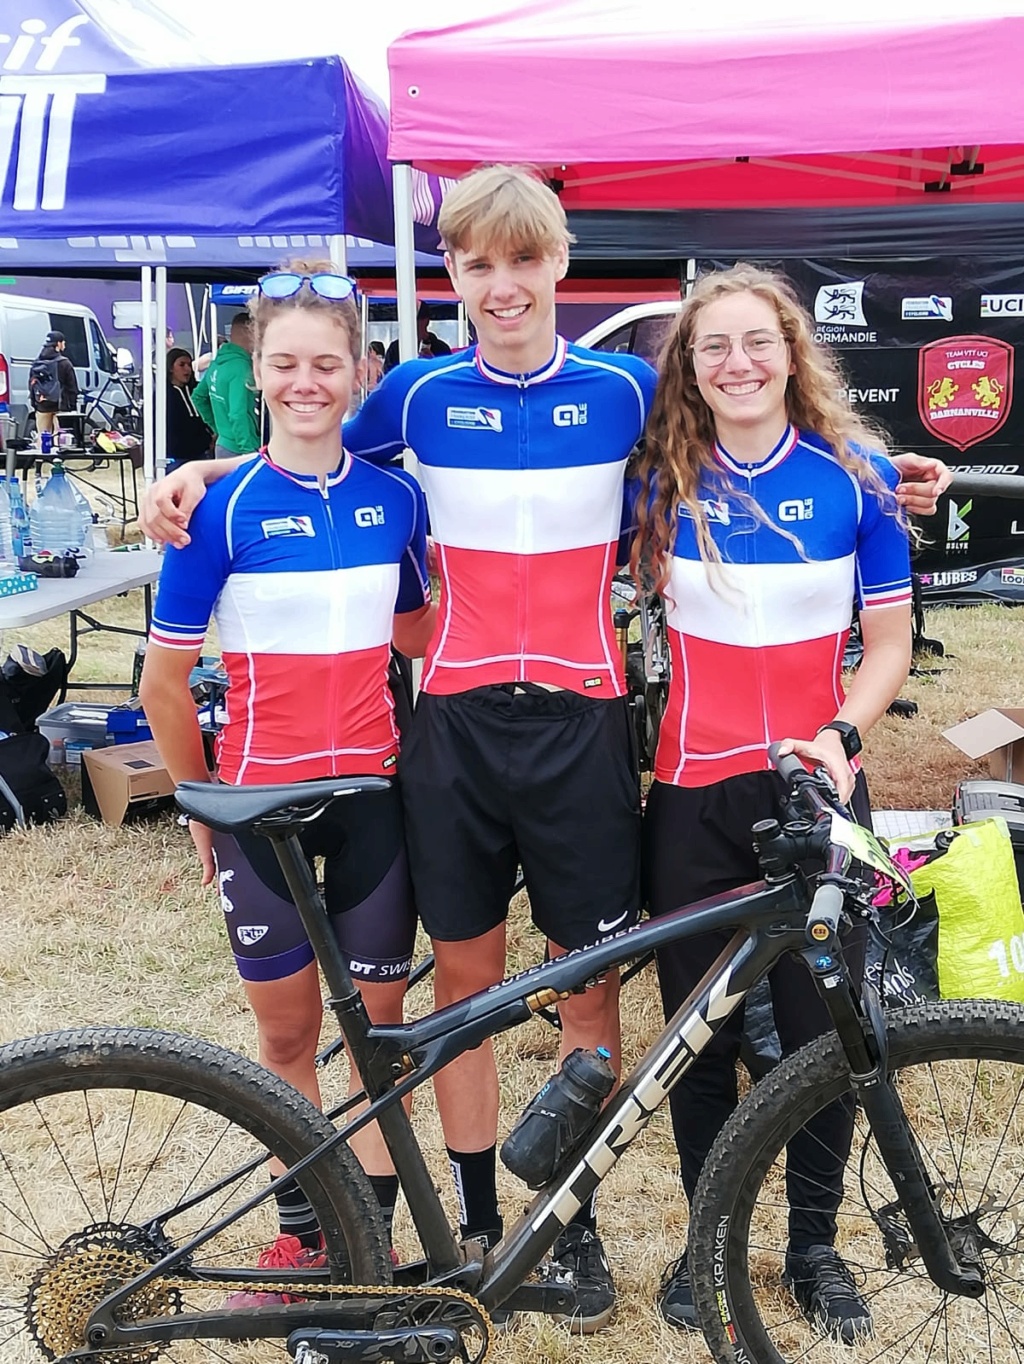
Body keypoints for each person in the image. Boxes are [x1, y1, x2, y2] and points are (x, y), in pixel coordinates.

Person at [138, 168, 950, 1334]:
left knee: (588, 981)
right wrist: (199, 475)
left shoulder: (626, 391)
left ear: (558, 265)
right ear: (455, 278)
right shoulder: (413, 395)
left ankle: (574, 1229)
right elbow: (305, 446)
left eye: (524, 261)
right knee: (464, 984)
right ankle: (477, 1221)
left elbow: (761, 433)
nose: (502, 284)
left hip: (579, 726)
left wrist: (888, 470)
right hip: (455, 731)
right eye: (477, 265)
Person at [139, 260, 435, 1303]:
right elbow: (164, 684)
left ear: (361, 371)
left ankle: (377, 1252)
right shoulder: (215, 510)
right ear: (253, 370)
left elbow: (415, 629)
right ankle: (303, 1242)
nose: (306, 381)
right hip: (256, 806)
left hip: (372, 803)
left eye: (327, 362)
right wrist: (197, 802)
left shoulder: (395, 499)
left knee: (379, 1036)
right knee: (287, 1035)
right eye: (283, 363)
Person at [636, 264, 913, 1344]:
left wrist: (842, 736)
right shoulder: (655, 476)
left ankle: (812, 1245)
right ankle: (709, 1239)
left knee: (822, 1025)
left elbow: (885, 643)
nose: (737, 363)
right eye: (713, 347)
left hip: (816, 785)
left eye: (757, 341)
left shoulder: (858, 474)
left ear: (792, 351)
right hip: (692, 791)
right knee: (696, 1032)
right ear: (690, 367)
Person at [193, 312, 260, 457]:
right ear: (251, 333)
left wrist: (218, 429)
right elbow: (237, 413)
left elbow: (198, 397)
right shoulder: (241, 368)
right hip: (240, 449)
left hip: (223, 444)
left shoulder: (217, 362)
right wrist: (248, 450)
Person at [165, 348, 213, 469]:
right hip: (176, 455)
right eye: (182, 365)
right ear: (171, 368)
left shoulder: (197, 390)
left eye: (189, 365)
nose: (187, 369)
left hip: (202, 453)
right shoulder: (164, 394)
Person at [29, 330, 78, 439]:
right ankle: (57, 455)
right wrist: (72, 407)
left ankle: (42, 455)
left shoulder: (37, 363)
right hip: (60, 406)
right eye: (63, 342)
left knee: (43, 436)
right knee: (59, 437)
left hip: (42, 405)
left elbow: (32, 385)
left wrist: (35, 403)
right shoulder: (64, 363)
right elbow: (72, 387)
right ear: (59, 344)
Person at [383, 302, 452, 372]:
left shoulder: (442, 349)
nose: (411, 323)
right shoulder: (395, 348)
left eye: (416, 319)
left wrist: (433, 363)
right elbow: (388, 375)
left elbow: (448, 376)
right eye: (408, 319)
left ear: (426, 320)